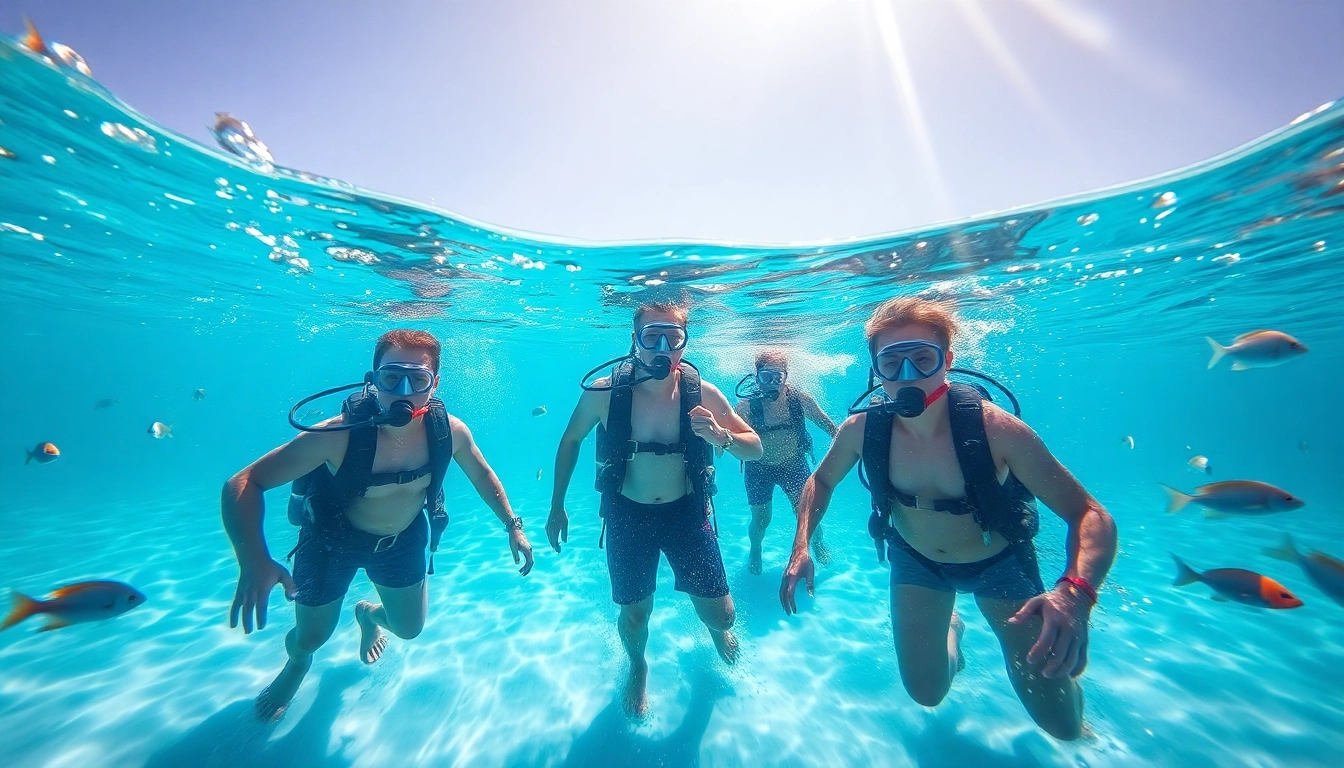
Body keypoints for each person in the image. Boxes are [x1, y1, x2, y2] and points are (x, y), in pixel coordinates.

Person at [779, 298, 1116, 740]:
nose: (906, 376)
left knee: (1062, 725)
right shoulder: (861, 429)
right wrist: (801, 546)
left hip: (1000, 565)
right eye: (891, 362)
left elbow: (1090, 513)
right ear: (875, 369)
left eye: (922, 359)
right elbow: (819, 482)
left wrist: (1075, 595)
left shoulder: (997, 429)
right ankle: (953, 625)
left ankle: (1070, 715)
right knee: (926, 693)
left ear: (948, 362)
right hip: (917, 560)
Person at [222, 329, 534, 721]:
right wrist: (254, 561)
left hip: (399, 540)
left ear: (434, 384)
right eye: (391, 378)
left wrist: (512, 524)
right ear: (371, 382)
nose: (404, 391)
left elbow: (482, 474)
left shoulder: (450, 432)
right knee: (311, 637)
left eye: (418, 380)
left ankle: (369, 615)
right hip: (331, 543)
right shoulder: (335, 437)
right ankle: (298, 663)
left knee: (408, 629)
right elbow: (244, 482)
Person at [546, 301, 763, 717]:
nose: (662, 347)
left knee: (723, 617)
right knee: (634, 616)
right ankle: (637, 666)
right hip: (628, 517)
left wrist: (722, 438)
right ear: (635, 342)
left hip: (686, 515)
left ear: (684, 344)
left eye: (673, 337)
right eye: (652, 337)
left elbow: (755, 447)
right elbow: (570, 440)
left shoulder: (704, 394)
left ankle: (715, 635)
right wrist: (557, 505)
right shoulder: (605, 393)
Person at [734, 349, 838, 575]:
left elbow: (826, 424)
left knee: (806, 512)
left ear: (786, 377)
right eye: (765, 378)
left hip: (793, 464)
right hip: (758, 467)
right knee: (761, 518)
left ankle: (817, 543)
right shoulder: (746, 406)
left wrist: (847, 443)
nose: (771, 384)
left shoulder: (800, 399)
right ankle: (755, 548)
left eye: (777, 377)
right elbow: (731, 438)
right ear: (756, 377)